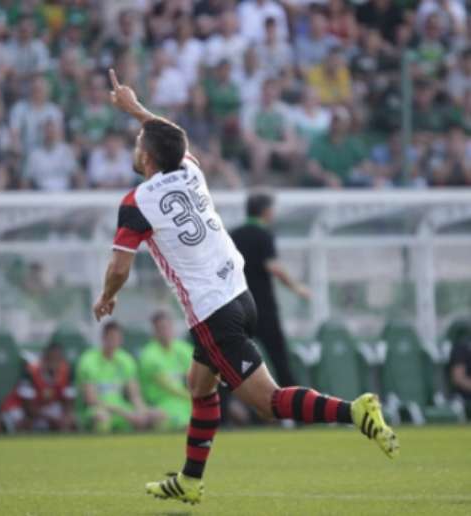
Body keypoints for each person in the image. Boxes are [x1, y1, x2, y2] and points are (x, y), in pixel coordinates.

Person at [93, 69, 399, 506]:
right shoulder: (192, 171)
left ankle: (355, 411)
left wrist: (107, 296)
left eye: (139, 142)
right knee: (199, 385)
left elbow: (120, 266)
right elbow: (173, 136)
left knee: (268, 403)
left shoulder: (137, 202)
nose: (137, 144)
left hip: (213, 312)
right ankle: (191, 480)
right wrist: (136, 109)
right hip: (240, 293)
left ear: (146, 158)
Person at [230, 192, 310, 387]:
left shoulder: (233, 235)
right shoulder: (263, 235)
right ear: (266, 211)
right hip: (263, 309)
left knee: (231, 363)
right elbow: (273, 267)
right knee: (280, 361)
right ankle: (297, 410)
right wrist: (297, 287)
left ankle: (222, 413)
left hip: (238, 308)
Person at [76, 321, 165, 433]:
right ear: (103, 338)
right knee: (102, 417)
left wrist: (141, 410)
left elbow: (135, 395)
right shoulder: (88, 361)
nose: (114, 341)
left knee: (158, 415)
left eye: (117, 338)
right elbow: (91, 400)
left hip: (122, 409)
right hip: (97, 410)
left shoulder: (126, 360)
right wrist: (123, 412)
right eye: (111, 337)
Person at [2, 342, 76, 432]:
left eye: (57, 359)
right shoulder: (30, 372)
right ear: (44, 359)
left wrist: (66, 417)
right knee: (22, 423)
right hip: (19, 406)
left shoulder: (67, 372)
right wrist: (52, 419)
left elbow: (68, 401)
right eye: (51, 359)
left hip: (44, 406)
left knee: (71, 421)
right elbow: (28, 408)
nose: (54, 363)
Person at [138, 312, 193, 430]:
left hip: (185, 400)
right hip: (162, 402)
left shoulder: (184, 349)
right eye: (161, 328)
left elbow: (195, 375)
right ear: (155, 332)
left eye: (167, 327)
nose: (165, 331)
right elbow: (168, 386)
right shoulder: (149, 355)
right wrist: (192, 397)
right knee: (187, 425)